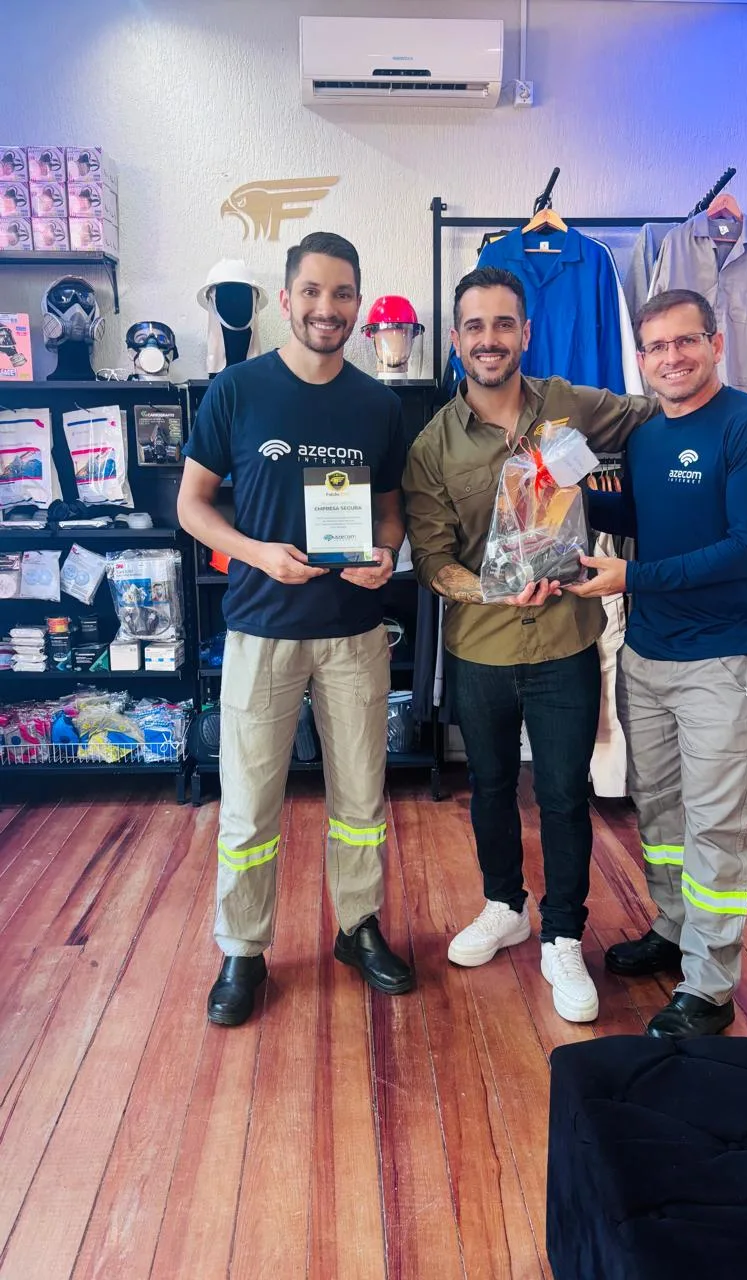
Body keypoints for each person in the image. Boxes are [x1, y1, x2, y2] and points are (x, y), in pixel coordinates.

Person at [402, 266, 655, 1024]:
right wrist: (491, 591)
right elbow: (431, 558)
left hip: (565, 642)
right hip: (480, 647)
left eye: (503, 324)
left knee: (563, 793)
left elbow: (654, 415)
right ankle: (504, 905)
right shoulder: (432, 444)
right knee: (487, 787)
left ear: (526, 333)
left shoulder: (570, 405)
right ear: (456, 340)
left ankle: (564, 934)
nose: (490, 339)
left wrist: (734, 419)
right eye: (475, 327)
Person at [178, 231, 414, 1027]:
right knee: (249, 805)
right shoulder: (238, 390)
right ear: (286, 299)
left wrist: (387, 552)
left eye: (342, 293)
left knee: (361, 797)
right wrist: (255, 553)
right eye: (311, 291)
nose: (327, 307)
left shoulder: (378, 404)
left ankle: (358, 927)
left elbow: (388, 510)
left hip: (353, 632)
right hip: (261, 629)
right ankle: (243, 949)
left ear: (357, 303)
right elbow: (192, 505)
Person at [570, 288, 747, 1039]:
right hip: (647, 654)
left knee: (716, 828)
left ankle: (709, 984)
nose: (671, 357)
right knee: (662, 814)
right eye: (656, 347)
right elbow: (642, 517)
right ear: (640, 359)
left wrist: (630, 577)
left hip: (718, 661)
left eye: (685, 341)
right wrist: (561, 494)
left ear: (715, 344)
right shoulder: (645, 439)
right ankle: (672, 929)